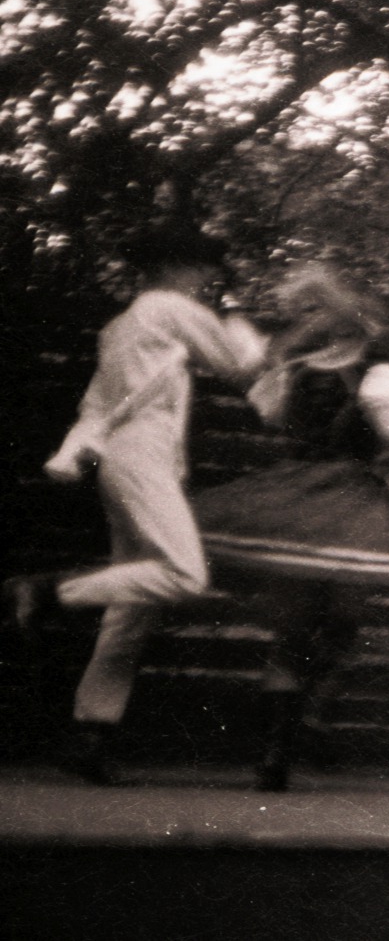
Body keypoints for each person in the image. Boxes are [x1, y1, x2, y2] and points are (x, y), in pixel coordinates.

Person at [191, 262, 389, 791]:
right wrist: (384, 460)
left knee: (293, 628)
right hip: (349, 499)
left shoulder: (293, 375)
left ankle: (275, 754)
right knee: (343, 620)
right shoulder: (383, 379)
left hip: (294, 498)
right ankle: (305, 716)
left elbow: (275, 419)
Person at [3, 225, 268, 784]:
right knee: (184, 574)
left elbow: (93, 408)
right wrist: (257, 328)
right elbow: (241, 368)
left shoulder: (122, 324)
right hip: (142, 455)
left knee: (132, 603)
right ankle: (47, 590)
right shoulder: (170, 306)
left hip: (124, 459)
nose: (209, 276)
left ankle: (91, 732)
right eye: (202, 265)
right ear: (174, 265)